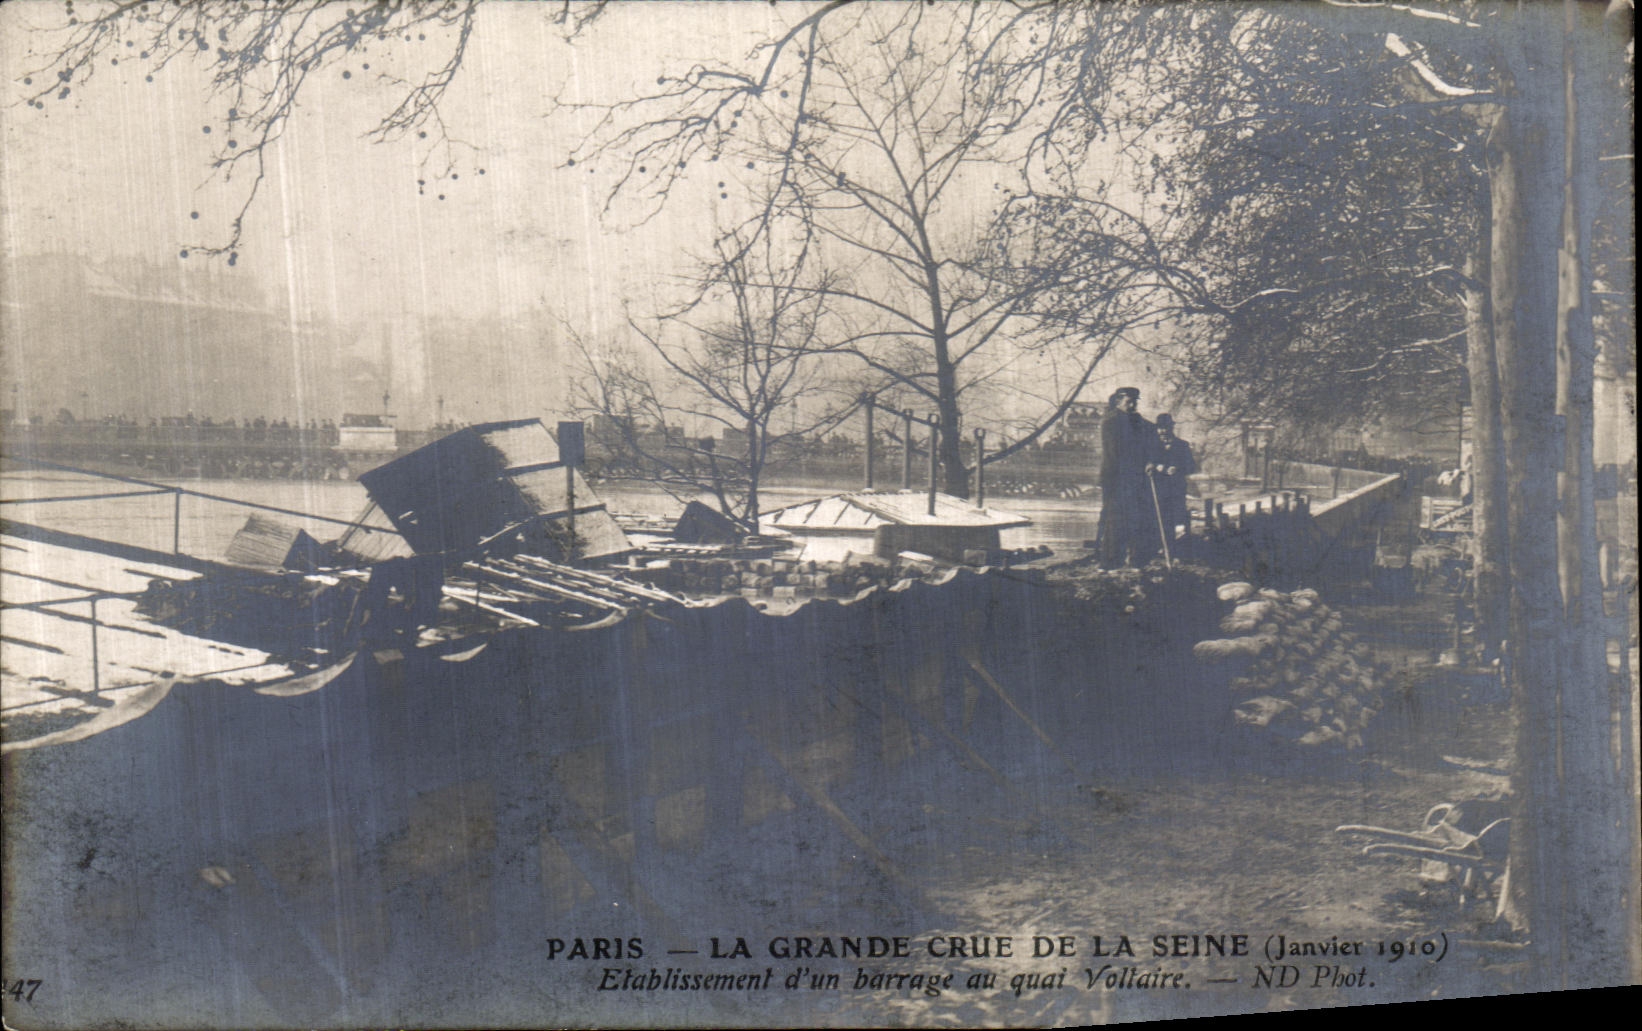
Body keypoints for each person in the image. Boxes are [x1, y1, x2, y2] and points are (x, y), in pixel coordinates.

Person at [1096, 386, 1157, 568]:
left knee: (1137, 519)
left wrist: (1150, 460)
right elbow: (1115, 453)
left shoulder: (1137, 420)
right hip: (1116, 479)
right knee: (1115, 521)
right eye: (1128, 402)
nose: (1133, 405)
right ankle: (1109, 563)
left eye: (1135, 402)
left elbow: (1152, 432)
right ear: (1118, 402)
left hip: (1134, 479)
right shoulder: (1111, 422)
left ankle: (1136, 560)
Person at [1149, 413, 1196, 542]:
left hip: (1176, 490)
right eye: (1160, 428)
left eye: (1166, 427)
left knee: (1177, 520)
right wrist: (1160, 467)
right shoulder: (1151, 446)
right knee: (1157, 518)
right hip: (1157, 489)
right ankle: (1159, 547)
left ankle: (1177, 548)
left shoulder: (1182, 446)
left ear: (1171, 428)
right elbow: (1147, 463)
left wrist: (1178, 469)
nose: (1163, 431)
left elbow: (1191, 466)